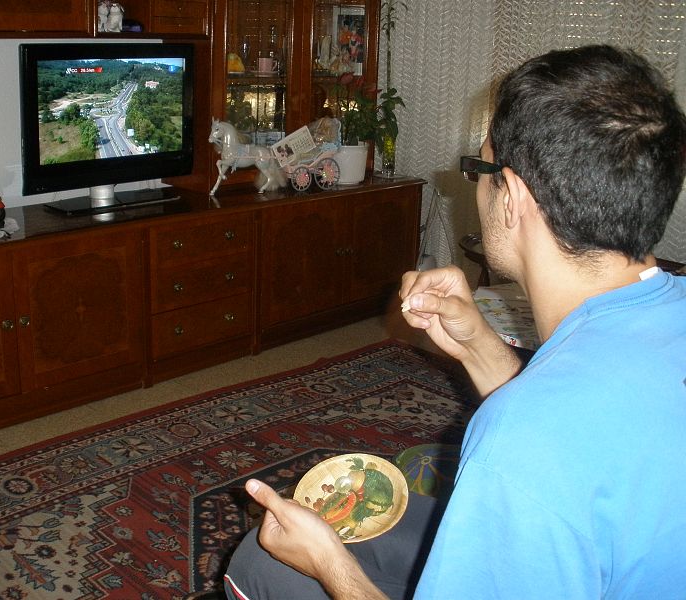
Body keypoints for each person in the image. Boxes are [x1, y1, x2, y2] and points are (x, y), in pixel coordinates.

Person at [223, 45, 686, 599]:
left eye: (481, 170)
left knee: (261, 565)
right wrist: (478, 346)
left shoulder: (518, 447)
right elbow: (596, 434)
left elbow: (550, 441)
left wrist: (328, 564)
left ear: (510, 195)